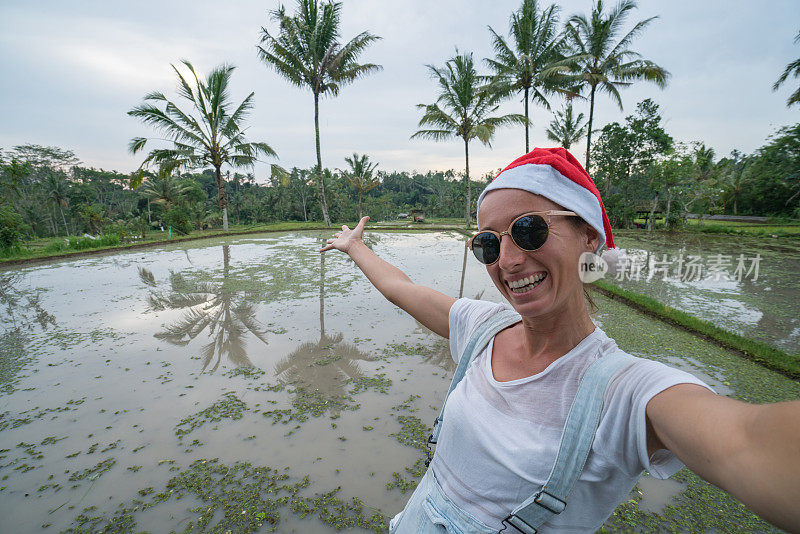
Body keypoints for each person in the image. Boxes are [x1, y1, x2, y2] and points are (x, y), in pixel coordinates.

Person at [320, 147, 800, 534]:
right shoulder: (481, 328)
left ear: (588, 237)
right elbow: (403, 289)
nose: (506, 261)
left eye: (527, 230)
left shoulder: (625, 393)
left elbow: (746, 442)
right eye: (487, 243)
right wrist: (355, 247)